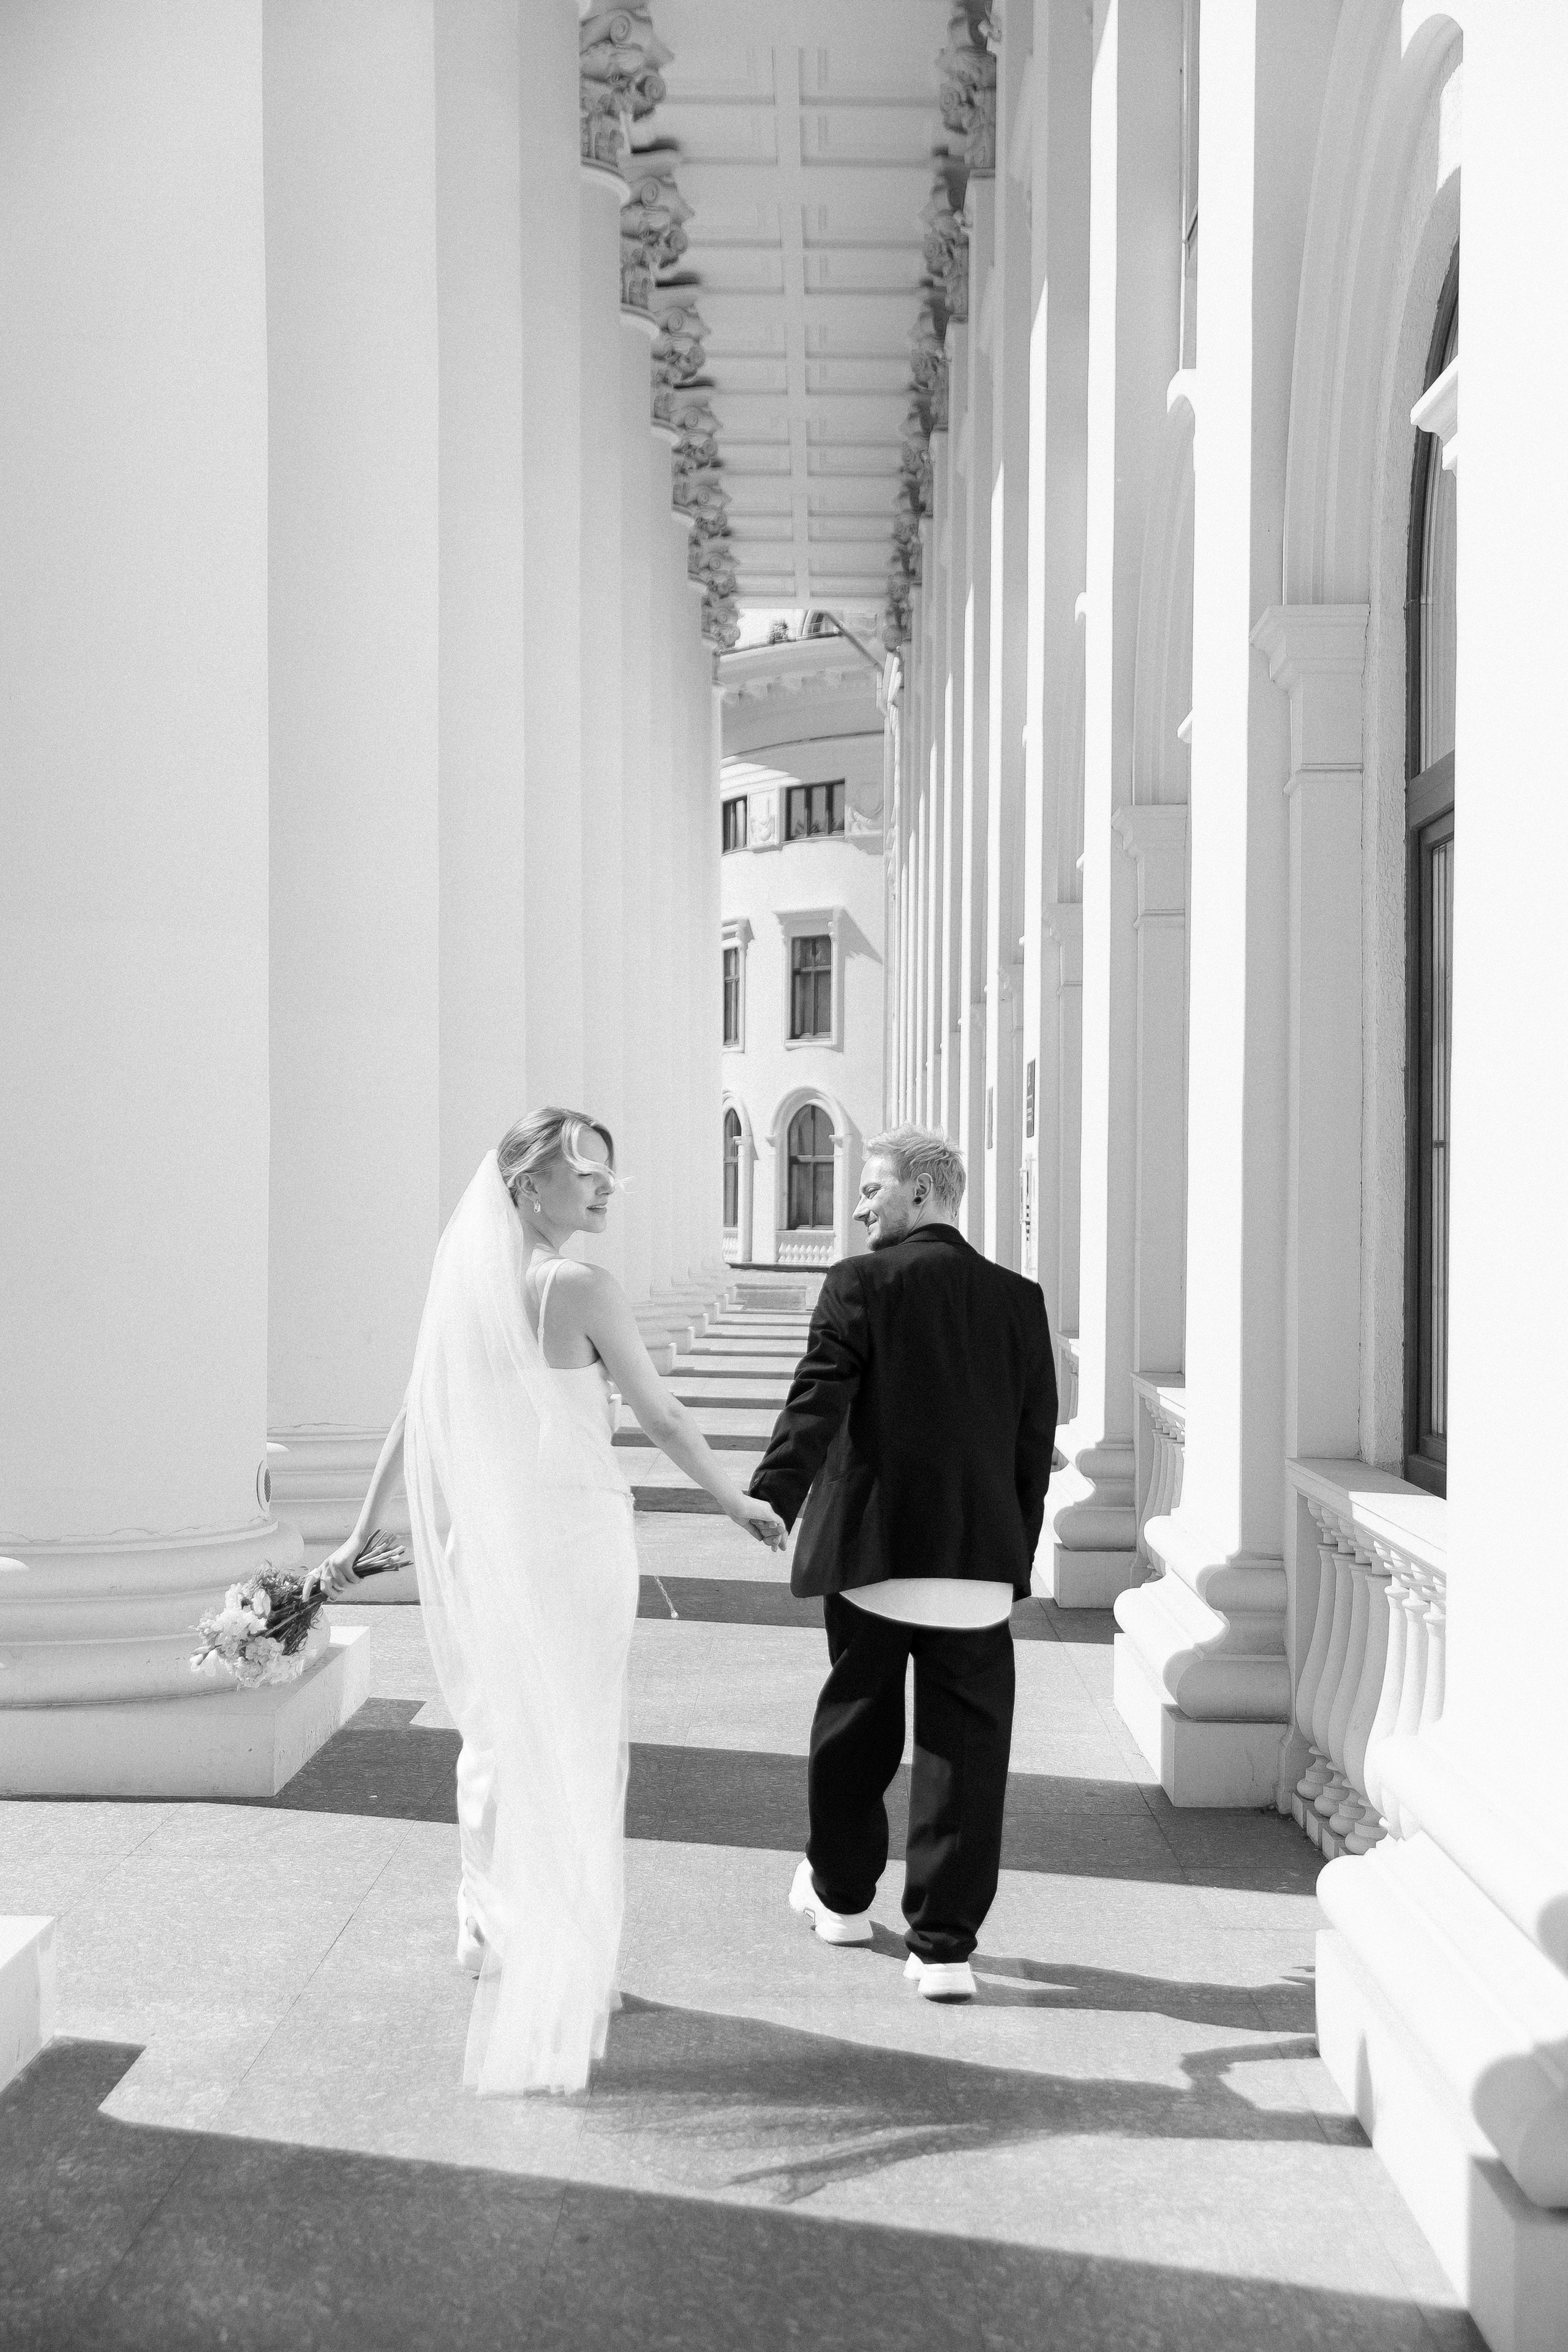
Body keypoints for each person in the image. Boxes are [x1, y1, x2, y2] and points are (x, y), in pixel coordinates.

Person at [312, 1109, 785, 2094]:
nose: (606, 1190)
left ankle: (487, 1926)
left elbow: (417, 1412)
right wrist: (735, 1500)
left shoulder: (468, 1285)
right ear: (528, 1189)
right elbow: (660, 1413)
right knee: (568, 1734)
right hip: (569, 1541)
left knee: (491, 1731)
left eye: (612, 1175)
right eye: (585, 1177)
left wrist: (361, 1532)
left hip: (486, 1543)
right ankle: (553, 1941)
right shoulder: (580, 1287)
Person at [748, 1124, 1057, 2002]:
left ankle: (842, 1900)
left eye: (872, 1190)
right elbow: (1032, 1450)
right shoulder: (1020, 1299)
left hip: (876, 1560)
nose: (857, 1207)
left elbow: (818, 1398)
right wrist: (1012, 1554)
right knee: (966, 1758)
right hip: (977, 1569)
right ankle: (945, 1950)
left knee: (856, 1731)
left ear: (921, 1192)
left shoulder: (858, 1283)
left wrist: (772, 1498)